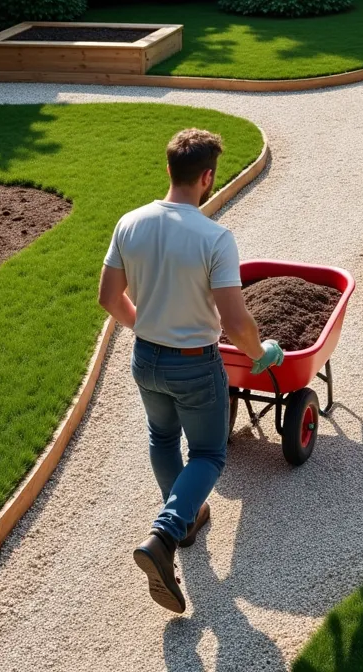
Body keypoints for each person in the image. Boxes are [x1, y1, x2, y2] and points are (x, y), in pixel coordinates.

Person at [98, 128, 284, 613]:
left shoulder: (130, 223)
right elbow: (235, 321)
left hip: (145, 358)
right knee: (207, 453)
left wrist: (150, 327)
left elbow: (108, 298)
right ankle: (164, 534)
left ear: (168, 170)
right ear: (207, 177)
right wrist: (260, 352)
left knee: (162, 439)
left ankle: (183, 519)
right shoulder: (214, 238)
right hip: (194, 365)